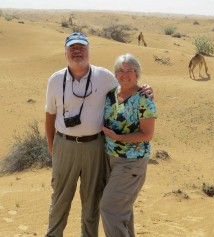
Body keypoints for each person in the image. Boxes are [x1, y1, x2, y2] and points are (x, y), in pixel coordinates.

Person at [45, 33, 153, 237]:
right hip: (64, 145)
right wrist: (53, 148)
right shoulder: (56, 79)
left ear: (89, 51)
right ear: (65, 52)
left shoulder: (104, 76)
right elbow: (49, 116)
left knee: (92, 200)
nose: (77, 51)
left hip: (95, 146)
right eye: (72, 48)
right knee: (59, 199)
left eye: (81, 47)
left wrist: (145, 90)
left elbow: (127, 85)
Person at [100, 53, 157, 237]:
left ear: (137, 74)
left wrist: (119, 138)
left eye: (129, 71)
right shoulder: (111, 95)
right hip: (111, 160)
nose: (124, 75)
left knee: (109, 208)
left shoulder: (144, 99)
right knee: (122, 210)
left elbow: (147, 135)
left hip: (132, 162)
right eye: (120, 71)